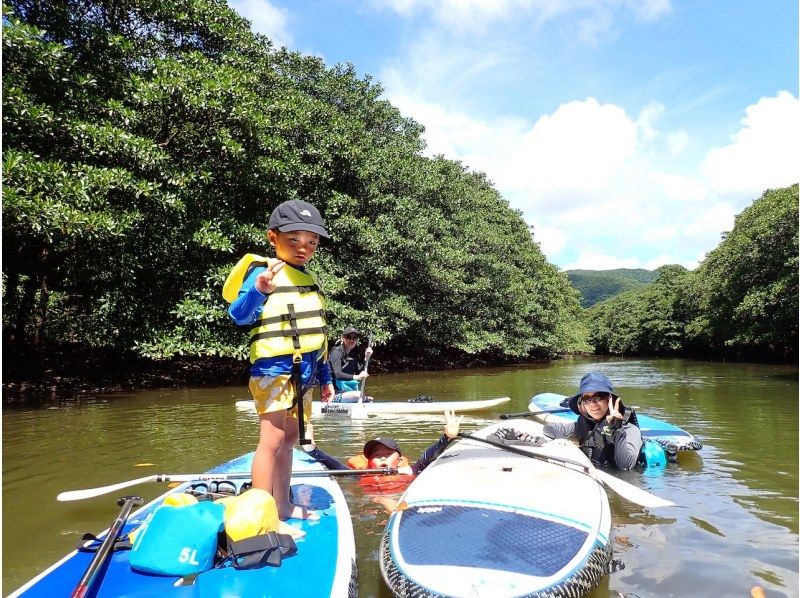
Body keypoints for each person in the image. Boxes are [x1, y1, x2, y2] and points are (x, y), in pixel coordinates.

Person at [223, 199, 335, 522]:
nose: (304, 248)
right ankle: (262, 517)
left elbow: (319, 338)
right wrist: (259, 289)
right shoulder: (263, 272)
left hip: (306, 373)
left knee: (288, 441)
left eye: (311, 242)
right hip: (273, 369)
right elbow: (239, 315)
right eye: (295, 240)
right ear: (273, 238)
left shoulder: (309, 281)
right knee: (270, 440)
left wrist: (325, 379)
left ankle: (282, 505)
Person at [302, 410, 463, 502]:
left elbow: (427, 458)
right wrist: (312, 449)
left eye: (387, 454)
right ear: (370, 462)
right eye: (377, 455)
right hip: (373, 504)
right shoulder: (361, 476)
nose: (383, 458)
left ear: (399, 460)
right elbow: (337, 467)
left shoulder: (411, 471)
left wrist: (446, 438)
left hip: (403, 499)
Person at [542, 372, 643, 471]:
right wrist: (562, 440)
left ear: (609, 399)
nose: (592, 404)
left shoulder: (630, 429)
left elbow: (626, 467)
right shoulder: (583, 425)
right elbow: (549, 427)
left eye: (598, 397)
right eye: (587, 399)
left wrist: (617, 429)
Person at [328, 326, 374, 402]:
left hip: (346, 392)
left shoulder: (352, 354)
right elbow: (337, 374)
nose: (352, 340)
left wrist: (367, 358)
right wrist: (357, 377)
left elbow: (360, 372)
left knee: (368, 399)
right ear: (343, 338)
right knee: (359, 395)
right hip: (333, 394)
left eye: (355, 338)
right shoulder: (336, 352)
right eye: (349, 337)